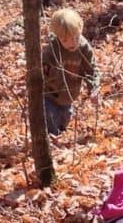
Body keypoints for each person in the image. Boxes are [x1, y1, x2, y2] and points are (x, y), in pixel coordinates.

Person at [42, 8, 99, 136]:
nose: (72, 43)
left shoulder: (84, 48)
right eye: (65, 40)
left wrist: (93, 88)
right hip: (51, 96)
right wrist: (55, 75)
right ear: (58, 37)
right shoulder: (51, 51)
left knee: (65, 119)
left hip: (69, 97)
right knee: (51, 123)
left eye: (76, 37)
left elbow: (91, 70)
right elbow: (44, 75)